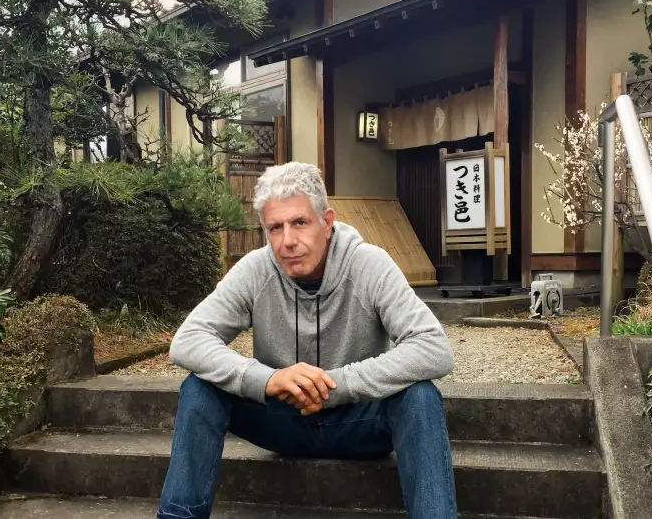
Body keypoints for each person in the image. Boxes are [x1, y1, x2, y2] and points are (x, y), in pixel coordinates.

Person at [156, 162, 457, 519]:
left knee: (420, 396)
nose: (288, 241)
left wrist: (339, 385)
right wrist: (267, 379)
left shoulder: (369, 265)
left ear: (326, 221)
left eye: (300, 222)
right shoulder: (255, 270)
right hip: (283, 422)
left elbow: (434, 349)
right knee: (199, 388)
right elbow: (188, 340)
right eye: (275, 228)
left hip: (359, 423)